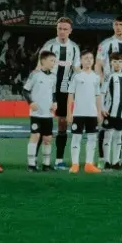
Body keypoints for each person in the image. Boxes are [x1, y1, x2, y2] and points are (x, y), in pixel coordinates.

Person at [39, 18, 80, 171]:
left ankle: (59, 160)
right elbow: (39, 66)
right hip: (47, 90)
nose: (62, 31)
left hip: (64, 90)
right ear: (57, 29)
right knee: (43, 123)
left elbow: (77, 69)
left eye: (65, 29)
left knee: (62, 124)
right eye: (60, 28)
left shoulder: (74, 48)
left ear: (70, 31)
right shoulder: (49, 45)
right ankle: (34, 161)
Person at [95, 18, 122, 163]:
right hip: (109, 87)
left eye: (121, 24)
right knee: (105, 124)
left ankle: (119, 159)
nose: (118, 27)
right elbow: (98, 64)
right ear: (113, 26)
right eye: (116, 24)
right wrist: (102, 82)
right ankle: (103, 158)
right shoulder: (105, 44)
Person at [67, 51, 103, 174]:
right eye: (86, 58)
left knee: (92, 138)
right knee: (76, 138)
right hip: (78, 113)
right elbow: (70, 95)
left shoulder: (96, 77)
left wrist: (99, 113)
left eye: (91, 58)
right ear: (81, 60)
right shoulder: (76, 76)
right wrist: (69, 113)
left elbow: (98, 96)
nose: (88, 60)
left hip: (92, 113)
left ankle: (89, 164)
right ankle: (75, 164)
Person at [23, 51, 58, 172]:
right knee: (35, 136)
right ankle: (31, 164)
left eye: (54, 61)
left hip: (48, 114)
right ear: (43, 61)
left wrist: (55, 102)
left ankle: (46, 164)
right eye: (51, 60)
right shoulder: (35, 75)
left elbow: (53, 93)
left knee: (48, 139)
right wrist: (30, 103)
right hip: (36, 113)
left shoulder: (53, 76)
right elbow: (25, 90)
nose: (53, 63)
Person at [101, 53, 122, 170]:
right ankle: (106, 161)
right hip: (110, 111)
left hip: (121, 113)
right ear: (111, 62)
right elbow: (102, 93)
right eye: (115, 61)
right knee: (108, 136)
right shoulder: (108, 76)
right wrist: (102, 108)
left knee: (118, 136)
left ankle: (115, 162)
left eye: (120, 62)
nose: (117, 64)